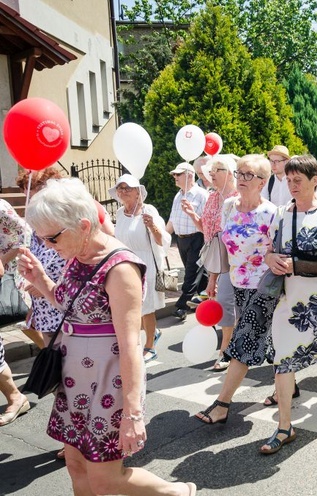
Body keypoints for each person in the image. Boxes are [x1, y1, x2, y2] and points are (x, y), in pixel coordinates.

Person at [18, 178, 196, 495]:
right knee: (75, 467)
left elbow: (131, 346)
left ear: (83, 225)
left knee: (106, 480)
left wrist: (133, 415)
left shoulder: (120, 268)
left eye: (52, 237)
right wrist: (42, 280)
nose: (47, 245)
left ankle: (176, 492)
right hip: (74, 380)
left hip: (108, 382)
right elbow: (69, 304)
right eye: (42, 238)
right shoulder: (77, 255)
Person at [261, 155, 317, 454]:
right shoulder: (282, 213)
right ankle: (285, 427)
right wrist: (271, 259)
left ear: (315, 181)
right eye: (288, 180)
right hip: (289, 303)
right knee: (283, 361)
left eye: (298, 180)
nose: (292, 185)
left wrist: (297, 266)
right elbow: (272, 251)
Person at [195, 155, 279, 424]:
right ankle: (287, 384)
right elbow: (221, 245)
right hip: (237, 283)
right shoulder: (229, 206)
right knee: (271, 337)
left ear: (262, 182)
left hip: (264, 286)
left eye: (248, 175)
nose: (241, 179)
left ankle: (222, 405)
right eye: (239, 173)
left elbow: (279, 251)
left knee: (243, 341)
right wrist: (213, 278)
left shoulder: (272, 213)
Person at [110, 174, 171, 364]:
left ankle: (150, 346)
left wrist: (152, 226)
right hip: (125, 264)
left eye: (128, 187)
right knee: (131, 306)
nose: (123, 191)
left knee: (146, 307)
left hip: (146, 264)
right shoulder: (120, 213)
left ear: (138, 192)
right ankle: (143, 339)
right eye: (120, 188)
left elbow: (163, 241)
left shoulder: (148, 210)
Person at [193, 155, 239, 371]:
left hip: (244, 262)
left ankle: (242, 348)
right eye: (210, 170)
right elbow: (211, 237)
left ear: (230, 172)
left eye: (217, 169)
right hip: (222, 262)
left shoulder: (240, 198)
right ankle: (225, 351)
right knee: (225, 303)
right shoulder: (212, 198)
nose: (211, 173)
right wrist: (212, 277)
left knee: (245, 308)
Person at [15, 167, 66, 351]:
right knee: (53, 365)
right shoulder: (35, 228)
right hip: (44, 311)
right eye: (25, 194)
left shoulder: (64, 223)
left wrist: (46, 284)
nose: (28, 200)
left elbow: (80, 264)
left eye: (31, 194)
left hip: (65, 311)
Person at [0, 199, 31, 427]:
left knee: (28, 320)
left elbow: (26, 234)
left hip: (10, 273)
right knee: (28, 324)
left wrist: (3, 259)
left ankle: (54, 363)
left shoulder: (1, 208)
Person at [166, 162, 209, 320]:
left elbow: (207, 221)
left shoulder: (202, 195)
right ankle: (207, 302)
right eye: (174, 175)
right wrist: (163, 238)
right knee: (199, 274)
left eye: (178, 174)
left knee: (191, 273)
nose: (175, 177)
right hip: (181, 239)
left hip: (197, 238)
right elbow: (172, 219)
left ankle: (182, 306)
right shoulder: (178, 195)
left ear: (189, 175)